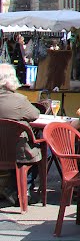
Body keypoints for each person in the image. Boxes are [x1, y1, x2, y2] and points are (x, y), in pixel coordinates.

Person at [0, 63, 41, 207]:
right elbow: (35, 115)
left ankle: (9, 188)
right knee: (38, 150)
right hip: (17, 152)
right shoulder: (19, 100)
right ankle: (26, 190)